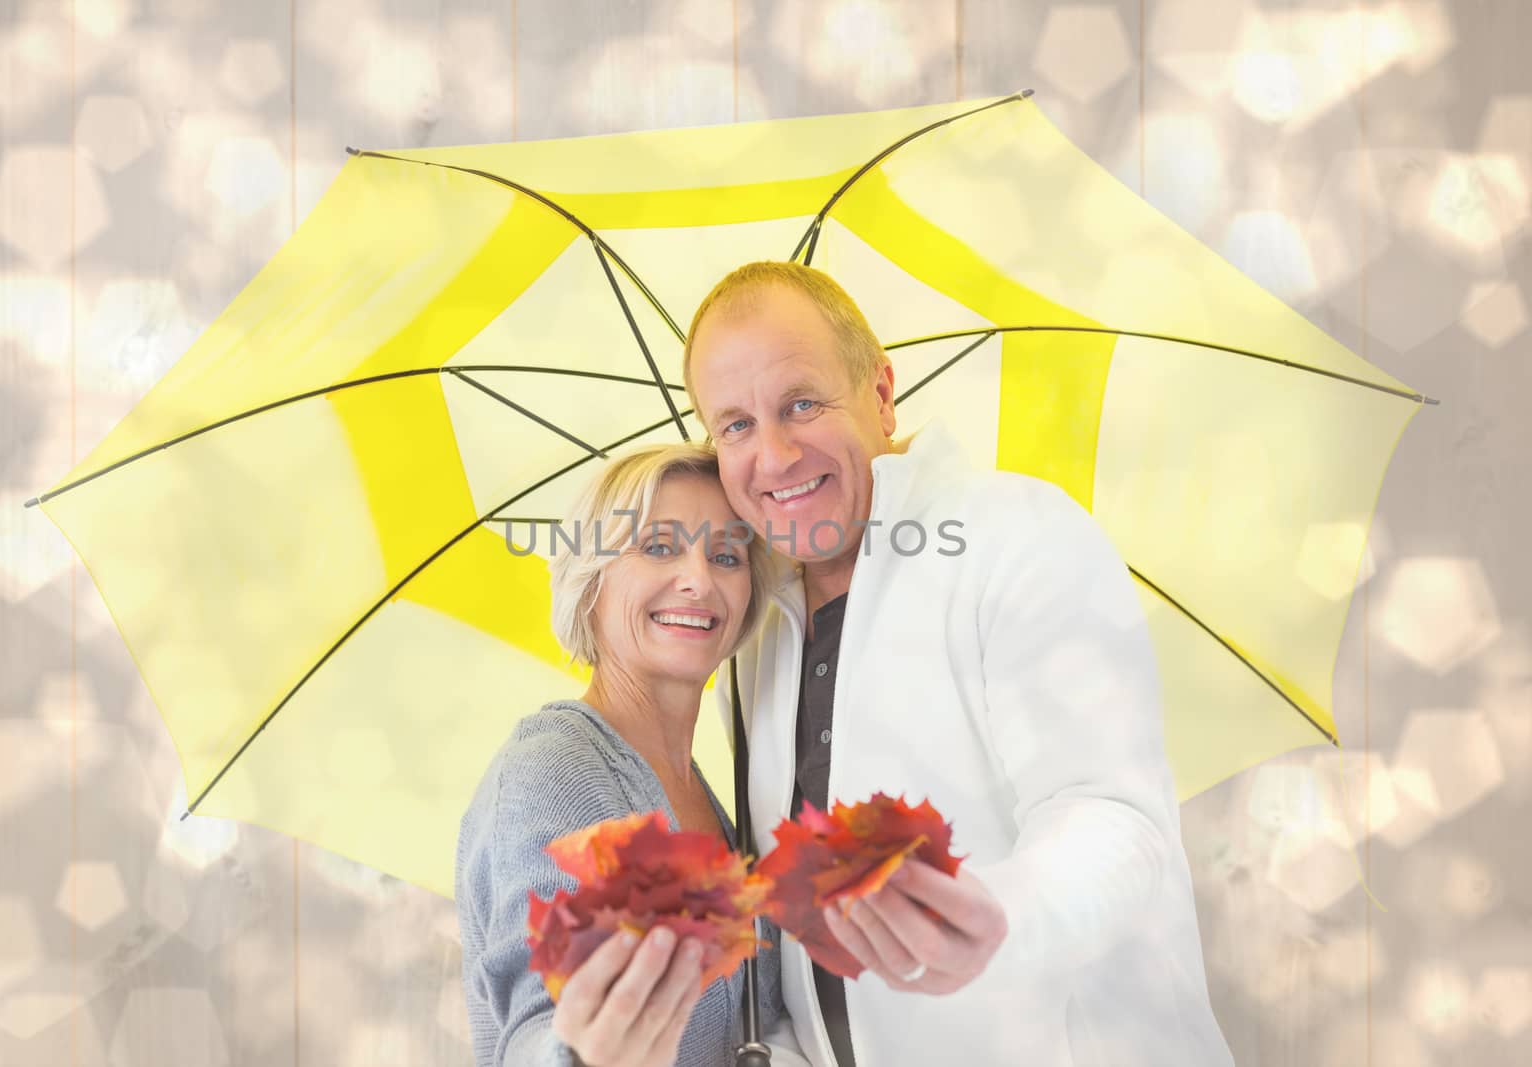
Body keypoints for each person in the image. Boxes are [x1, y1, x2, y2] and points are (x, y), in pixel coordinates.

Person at [684, 262, 1235, 1066]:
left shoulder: (1019, 535)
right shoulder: (754, 630)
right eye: (734, 424)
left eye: (802, 403)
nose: (773, 454)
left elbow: (1115, 818)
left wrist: (995, 915)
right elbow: (814, 962)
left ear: (879, 393)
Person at [455, 442, 808, 1066]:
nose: (700, 579)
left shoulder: (715, 796)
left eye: (726, 555)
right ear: (591, 580)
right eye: (659, 547)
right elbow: (540, 1024)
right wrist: (583, 1054)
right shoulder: (556, 769)